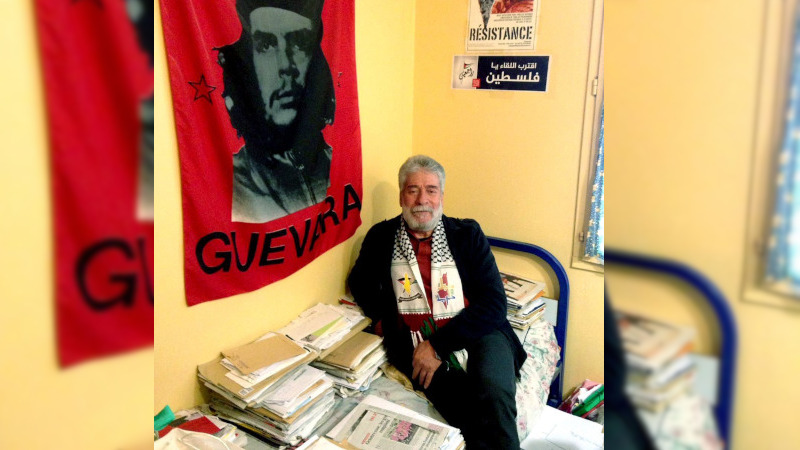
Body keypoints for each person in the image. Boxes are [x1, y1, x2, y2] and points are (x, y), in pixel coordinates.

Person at [348, 155, 527, 449]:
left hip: (478, 327)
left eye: (431, 190)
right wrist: (383, 323)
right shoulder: (382, 236)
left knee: (494, 392)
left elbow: (495, 303)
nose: (422, 200)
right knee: (463, 405)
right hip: (414, 337)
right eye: (413, 190)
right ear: (401, 196)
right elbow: (360, 283)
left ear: (441, 196)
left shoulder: (467, 234)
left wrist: (437, 346)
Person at [217, 0, 335, 223]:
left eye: (299, 43)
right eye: (266, 45)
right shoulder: (232, 186)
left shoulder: (336, 164)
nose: (286, 66)